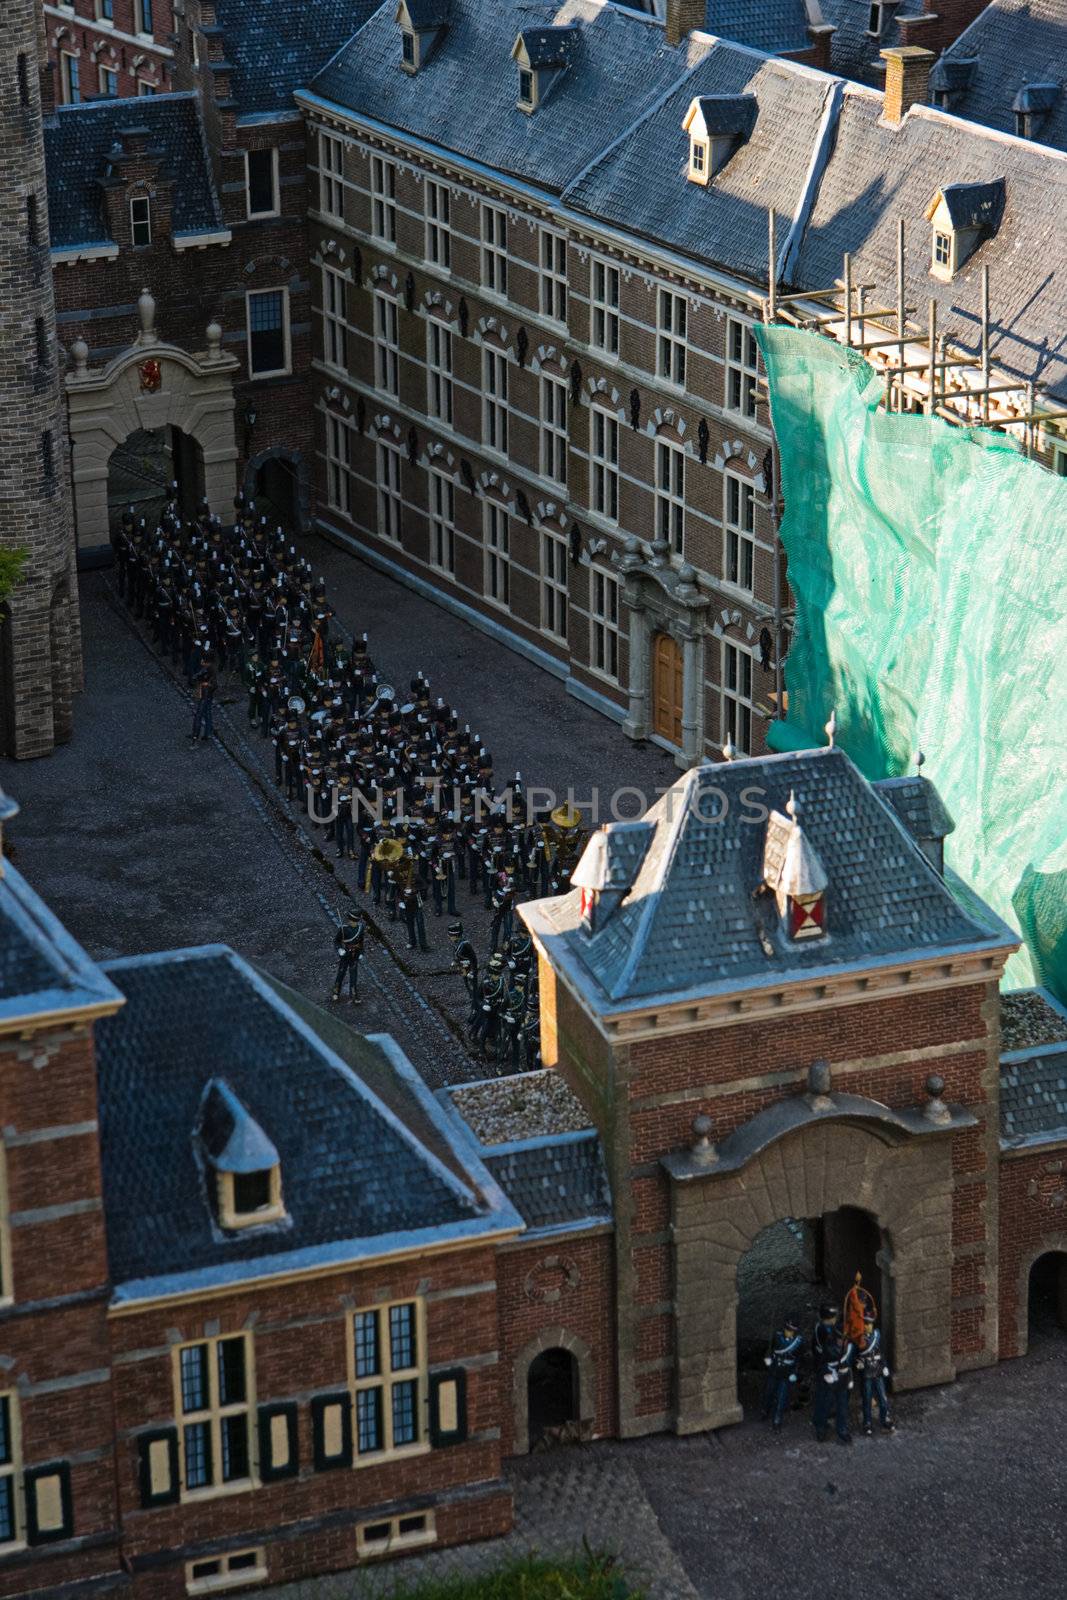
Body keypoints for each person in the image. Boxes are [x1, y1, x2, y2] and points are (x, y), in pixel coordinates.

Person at [811, 1303, 853, 1444]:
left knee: (842, 1405)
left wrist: (848, 1376)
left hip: (842, 1376)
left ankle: (842, 1430)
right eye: (841, 1339)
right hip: (829, 1375)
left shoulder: (847, 1346)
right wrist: (827, 1373)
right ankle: (820, 1428)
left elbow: (848, 1361)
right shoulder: (828, 1345)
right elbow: (821, 1360)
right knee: (824, 1402)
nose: (843, 1342)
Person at [761, 1312, 803, 1433]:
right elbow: (770, 1349)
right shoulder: (777, 1336)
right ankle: (765, 1410)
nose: (788, 1332)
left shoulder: (799, 1342)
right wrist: (768, 1357)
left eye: (790, 1330)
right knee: (768, 1391)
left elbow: (799, 1359)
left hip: (787, 1372)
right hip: (775, 1369)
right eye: (787, 1329)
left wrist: (795, 1372)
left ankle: (777, 1420)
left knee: (781, 1396)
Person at [855, 1316, 895, 1436]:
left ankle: (885, 1418)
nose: (868, 1326)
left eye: (870, 1324)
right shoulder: (860, 1338)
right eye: (866, 1324)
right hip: (867, 1371)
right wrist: (858, 1364)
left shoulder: (877, 1335)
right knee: (867, 1398)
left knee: (883, 1397)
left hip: (877, 1370)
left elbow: (882, 1352)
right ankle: (867, 1422)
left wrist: (885, 1366)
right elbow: (856, 1355)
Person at [331, 909, 365, 1003]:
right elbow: (336, 941)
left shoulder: (360, 928)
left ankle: (354, 994)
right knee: (341, 973)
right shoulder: (343, 929)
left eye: (355, 921)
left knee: (353, 975)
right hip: (345, 955)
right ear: (349, 920)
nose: (353, 923)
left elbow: (361, 942)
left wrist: (361, 952)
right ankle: (336, 992)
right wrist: (339, 949)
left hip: (355, 955)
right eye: (352, 921)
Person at [843, 1271, 878, 1345]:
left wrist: (872, 1313)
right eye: (863, 1301)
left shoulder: (857, 1292)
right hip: (856, 1321)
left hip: (861, 1321)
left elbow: (869, 1315)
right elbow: (856, 1306)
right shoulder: (854, 1294)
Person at [191, 655, 217, 744]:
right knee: (207, 713)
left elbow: (214, 685)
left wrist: (206, 684)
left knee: (205, 713)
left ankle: (207, 732)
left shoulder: (210, 670)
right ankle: (208, 732)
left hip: (207, 696)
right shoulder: (206, 669)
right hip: (206, 695)